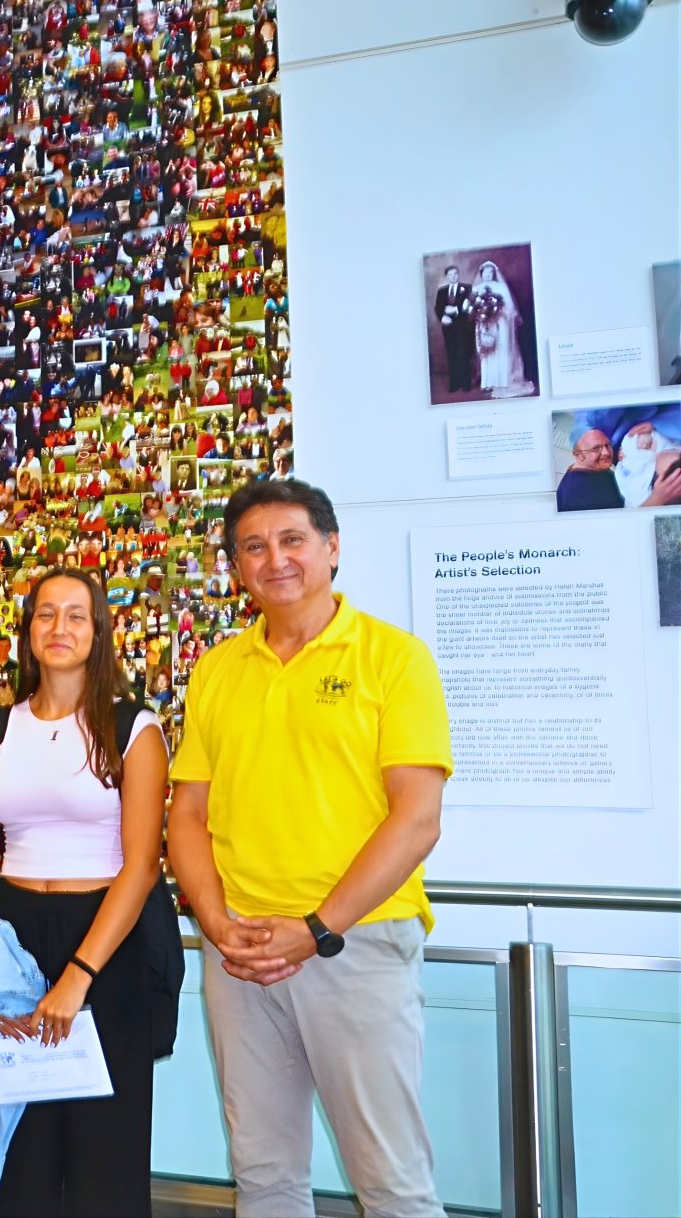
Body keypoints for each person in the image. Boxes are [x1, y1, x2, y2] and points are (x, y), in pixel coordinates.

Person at [168, 479, 452, 1218]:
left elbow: (417, 819)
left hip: (354, 943)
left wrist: (317, 927)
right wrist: (216, 922)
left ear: (331, 548)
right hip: (240, 952)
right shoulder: (216, 669)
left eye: (292, 539)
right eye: (253, 547)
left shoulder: (394, 657)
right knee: (263, 1176)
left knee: (392, 1184)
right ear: (236, 567)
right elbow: (187, 816)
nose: (276, 559)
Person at [0, 567, 171, 1216]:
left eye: (76, 614)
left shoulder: (133, 727)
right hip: (16, 940)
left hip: (109, 942)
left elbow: (142, 865)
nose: (60, 627)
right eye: (46, 613)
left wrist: (78, 975)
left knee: (106, 1160)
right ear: (28, 631)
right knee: (20, 1155)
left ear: (99, 631)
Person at [470, 260, 524, 395]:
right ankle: (487, 382)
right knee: (486, 350)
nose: (488, 275)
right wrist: (482, 314)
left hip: (500, 323)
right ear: (481, 273)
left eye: (491, 272)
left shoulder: (501, 287)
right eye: (485, 272)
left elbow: (509, 307)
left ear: (494, 274)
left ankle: (502, 381)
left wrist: (497, 312)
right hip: (484, 324)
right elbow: (472, 307)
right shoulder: (476, 289)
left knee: (501, 348)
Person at [431, 264, 472, 394]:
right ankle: (454, 383)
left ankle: (466, 383)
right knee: (452, 354)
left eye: (455, 274)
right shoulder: (441, 291)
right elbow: (438, 308)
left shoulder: (467, 288)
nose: (453, 277)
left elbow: (469, 305)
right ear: (447, 277)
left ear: (458, 274)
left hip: (463, 327)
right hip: (448, 328)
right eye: (450, 275)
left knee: (464, 354)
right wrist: (442, 317)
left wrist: (455, 310)